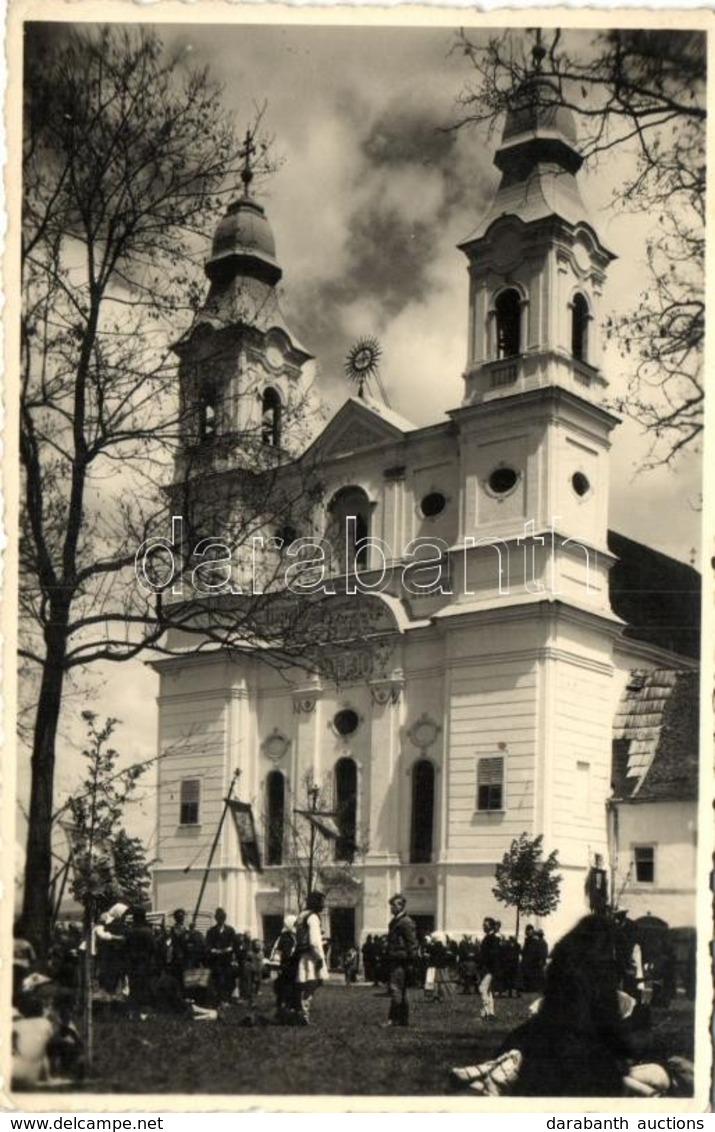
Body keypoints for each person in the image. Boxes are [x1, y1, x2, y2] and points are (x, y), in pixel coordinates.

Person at [383, 892, 418, 1028]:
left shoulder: (406, 922)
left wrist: (411, 962)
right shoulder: (395, 921)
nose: (392, 907)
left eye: (394, 905)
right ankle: (403, 1020)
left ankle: (394, 1020)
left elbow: (412, 943)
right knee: (400, 991)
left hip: (401, 961)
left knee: (396, 989)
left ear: (401, 906)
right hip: (395, 959)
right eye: (391, 905)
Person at [293, 891, 327, 1025]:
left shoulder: (302, 915)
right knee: (311, 985)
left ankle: (300, 1013)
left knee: (304, 985)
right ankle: (303, 1015)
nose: (323, 905)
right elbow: (314, 941)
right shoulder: (313, 917)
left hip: (302, 954)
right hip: (311, 956)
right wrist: (318, 957)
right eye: (322, 902)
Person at [205, 907, 237, 1006]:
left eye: (222, 917)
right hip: (216, 960)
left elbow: (234, 943)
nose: (221, 919)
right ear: (216, 918)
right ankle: (219, 999)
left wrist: (230, 949)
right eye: (219, 917)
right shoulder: (211, 931)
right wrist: (213, 950)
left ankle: (226, 999)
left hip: (227, 959)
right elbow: (208, 945)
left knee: (228, 979)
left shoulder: (230, 930)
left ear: (225, 918)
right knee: (219, 979)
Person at [270, 914, 298, 1023]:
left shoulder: (296, 937)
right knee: (285, 988)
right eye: (294, 924)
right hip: (286, 967)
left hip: (294, 967)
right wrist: (277, 967)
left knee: (294, 988)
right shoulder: (284, 938)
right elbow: (278, 952)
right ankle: (283, 1009)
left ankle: (292, 1008)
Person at [479, 917, 500, 1021]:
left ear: (490, 926)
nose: (483, 927)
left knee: (482, 989)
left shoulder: (493, 939)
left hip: (490, 969)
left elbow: (493, 955)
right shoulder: (489, 938)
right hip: (489, 968)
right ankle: (490, 1012)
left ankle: (487, 1011)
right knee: (488, 990)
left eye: (485, 925)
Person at [168, 908, 190, 990]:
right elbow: (171, 942)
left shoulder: (187, 929)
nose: (181, 918)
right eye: (179, 916)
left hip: (185, 957)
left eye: (182, 916)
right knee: (176, 978)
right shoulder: (173, 929)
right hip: (176, 957)